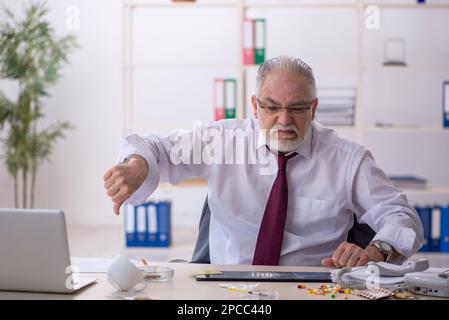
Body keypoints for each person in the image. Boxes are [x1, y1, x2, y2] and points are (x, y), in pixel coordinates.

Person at [103, 56, 423, 267]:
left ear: (313, 108)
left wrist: (375, 251)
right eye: (271, 107)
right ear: (255, 106)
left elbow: (402, 216)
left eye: (297, 108)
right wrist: (138, 164)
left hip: (310, 287)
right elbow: (155, 147)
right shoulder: (224, 141)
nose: (284, 120)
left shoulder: (348, 160)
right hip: (225, 287)